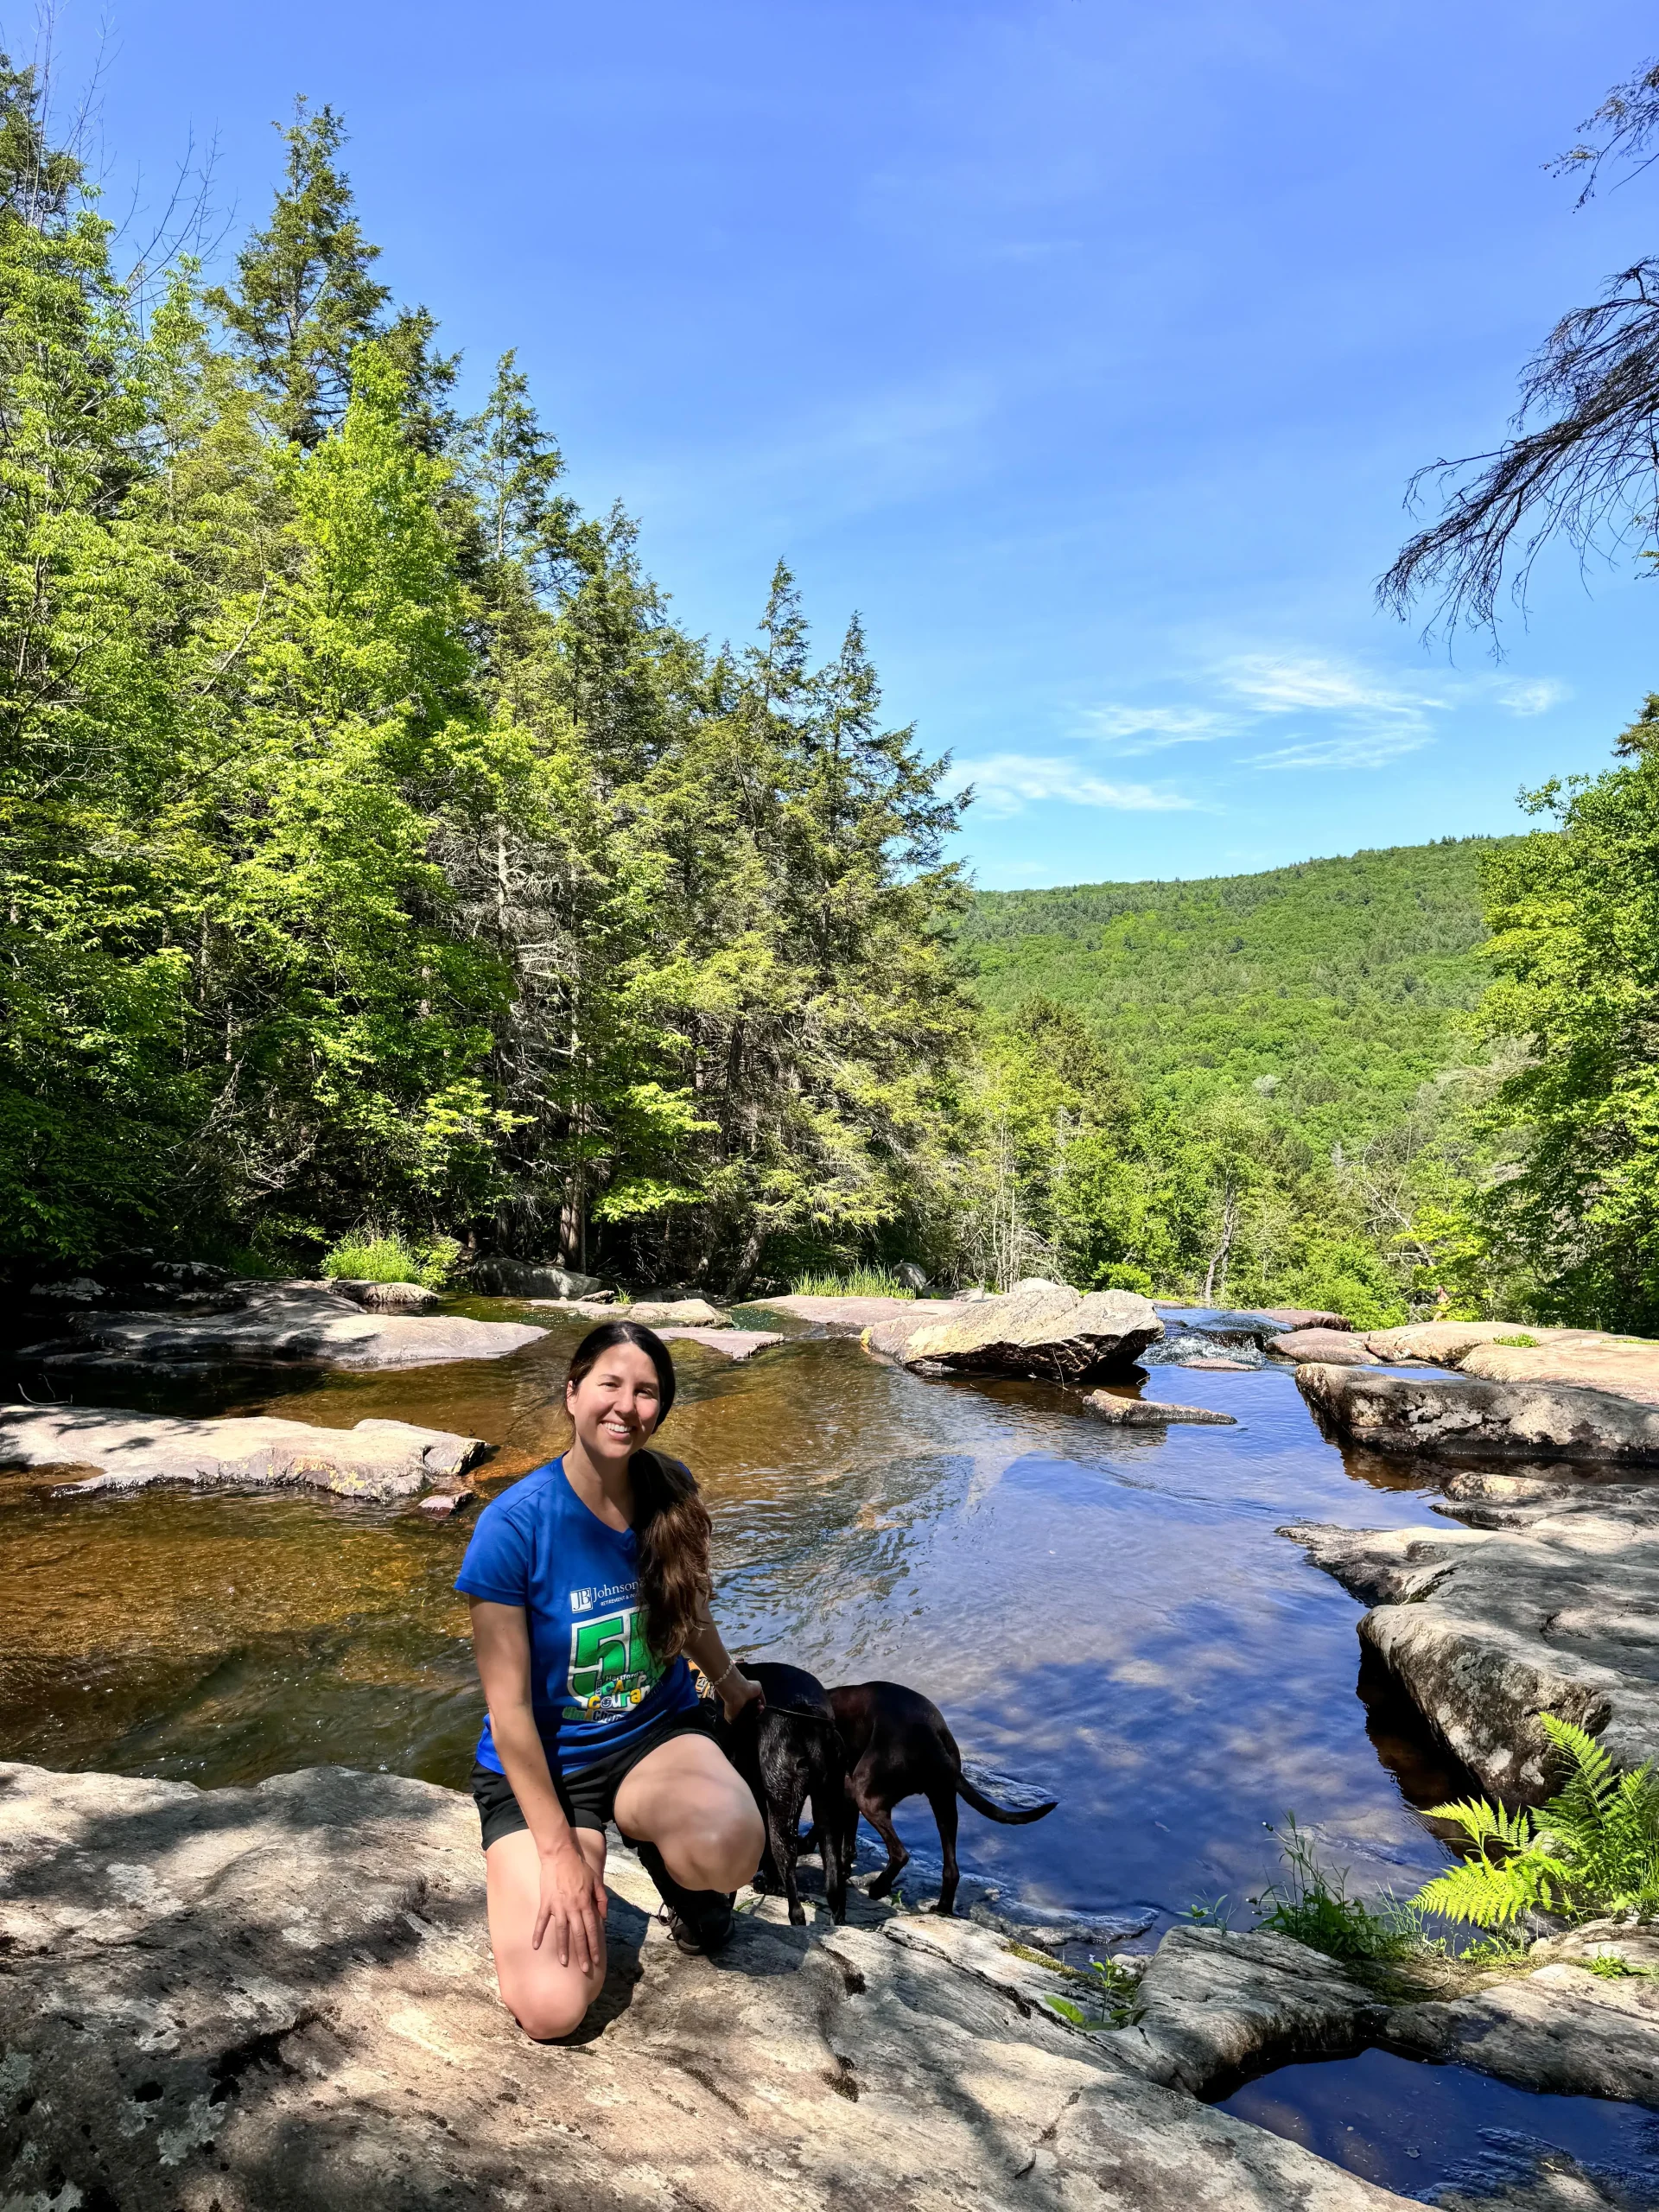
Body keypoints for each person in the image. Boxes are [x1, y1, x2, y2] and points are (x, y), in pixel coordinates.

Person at [456, 1318, 766, 2040]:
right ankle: (548, 1864)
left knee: (731, 1845)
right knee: (553, 2009)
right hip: (547, 1767)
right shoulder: (513, 1528)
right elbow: (509, 1713)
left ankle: (667, 1860)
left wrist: (730, 1684)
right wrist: (561, 1854)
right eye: (610, 1385)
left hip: (653, 1736)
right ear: (572, 1394)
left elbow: (684, 1615)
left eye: (648, 1392)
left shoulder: (671, 1489)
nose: (627, 1406)